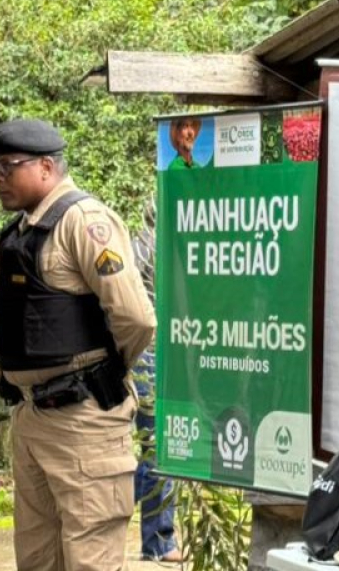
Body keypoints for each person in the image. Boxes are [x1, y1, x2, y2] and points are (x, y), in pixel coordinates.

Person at [0, 118, 156, 571]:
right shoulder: (19, 235)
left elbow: (136, 318)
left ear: (46, 166)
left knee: (90, 560)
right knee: (38, 559)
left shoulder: (83, 222)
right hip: (32, 417)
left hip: (83, 419)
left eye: (8, 166)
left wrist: (103, 374)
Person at [132, 199, 182, 563]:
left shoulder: (136, 243)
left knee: (150, 445)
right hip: (153, 354)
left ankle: (118, 510)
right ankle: (159, 541)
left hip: (137, 355)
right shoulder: (161, 246)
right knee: (160, 447)